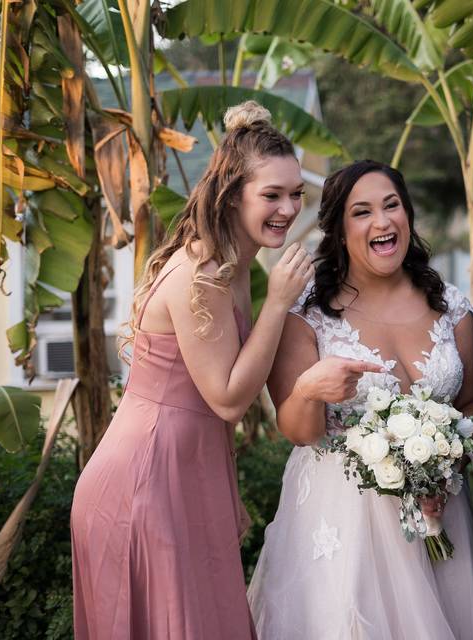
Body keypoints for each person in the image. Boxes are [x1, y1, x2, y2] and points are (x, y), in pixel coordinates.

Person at [70, 101, 313, 639]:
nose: (289, 207)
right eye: (271, 195)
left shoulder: (232, 263)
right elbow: (227, 398)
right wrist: (276, 303)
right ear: (232, 195)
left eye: (296, 193)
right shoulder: (201, 271)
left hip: (184, 480)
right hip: (144, 487)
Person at [246, 160, 473, 639]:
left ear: (408, 215)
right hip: (345, 522)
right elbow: (298, 430)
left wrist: (446, 471)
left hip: (436, 514)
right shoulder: (308, 316)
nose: (383, 222)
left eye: (392, 206)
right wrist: (309, 389)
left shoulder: (451, 308)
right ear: (340, 232)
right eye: (362, 212)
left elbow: (470, 405)